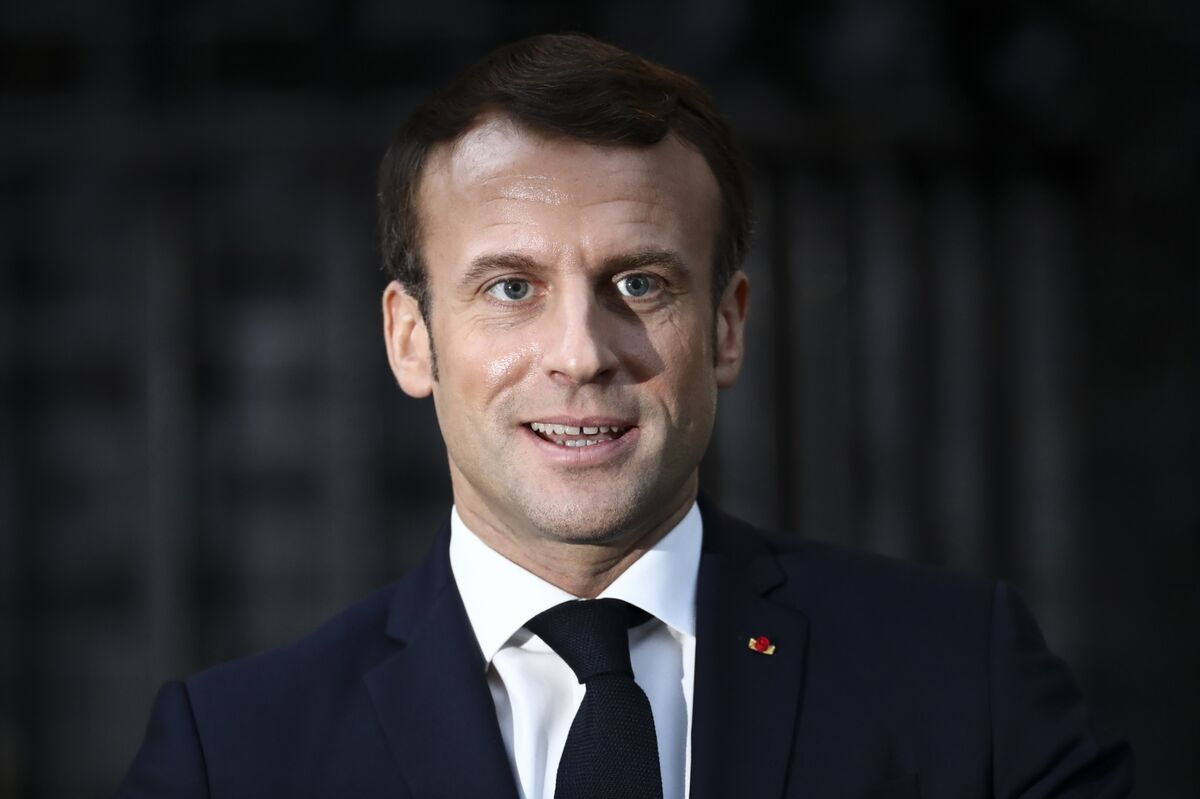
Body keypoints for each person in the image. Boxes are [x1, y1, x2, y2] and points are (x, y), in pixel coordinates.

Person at [115, 33, 1132, 799]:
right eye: (511, 288)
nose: (582, 352)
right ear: (410, 339)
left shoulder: (963, 681)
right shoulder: (234, 753)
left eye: (639, 283)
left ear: (727, 327)